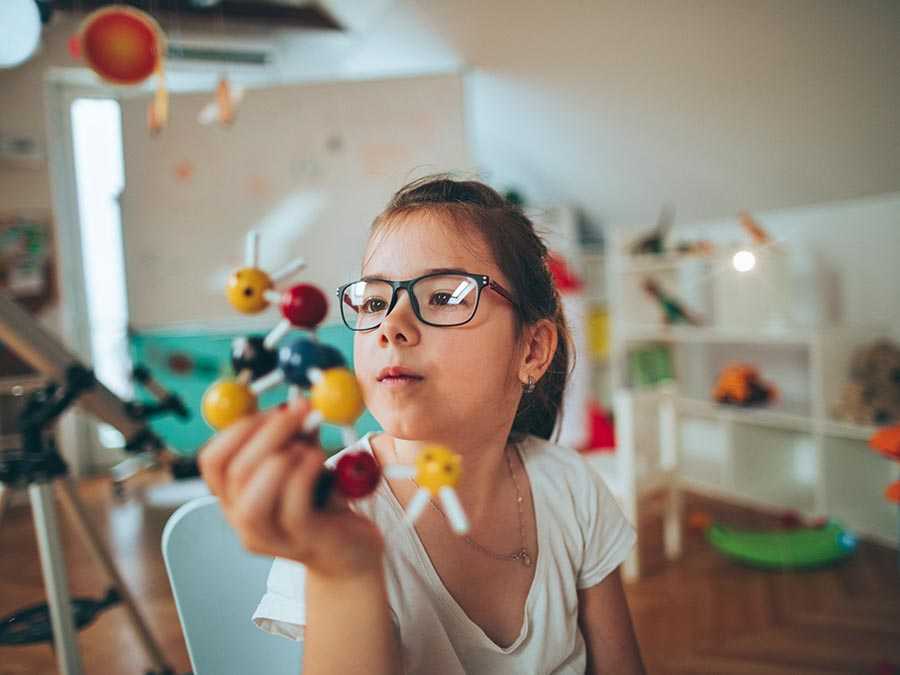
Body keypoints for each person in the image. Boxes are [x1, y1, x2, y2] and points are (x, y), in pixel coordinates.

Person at [198, 175, 646, 674]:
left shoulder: (572, 489)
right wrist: (344, 572)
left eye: (444, 297)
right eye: (372, 301)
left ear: (533, 350)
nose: (391, 324)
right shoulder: (333, 515)